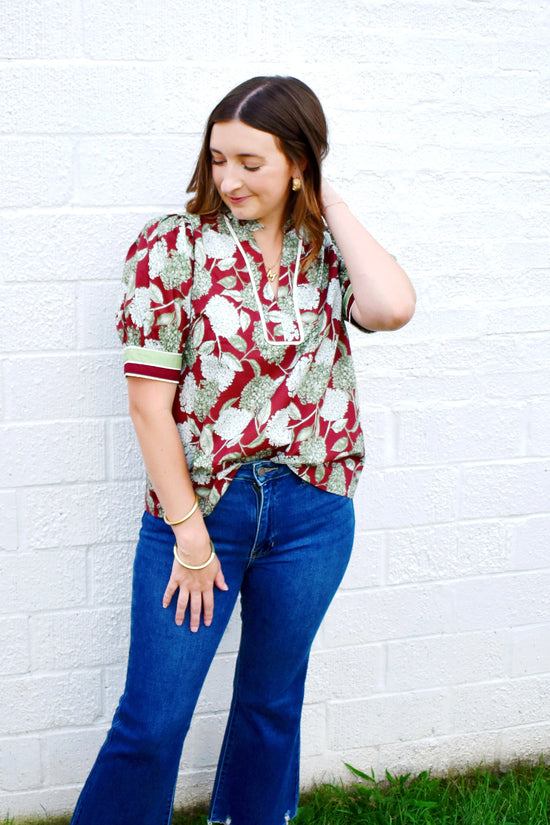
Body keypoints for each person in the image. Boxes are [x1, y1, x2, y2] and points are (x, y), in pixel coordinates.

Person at [70, 75, 415, 825]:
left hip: (312, 509)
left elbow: (391, 306)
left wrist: (334, 207)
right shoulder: (172, 245)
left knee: (270, 703)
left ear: (299, 162)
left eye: (251, 163)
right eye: (218, 157)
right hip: (203, 510)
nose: (228, 178)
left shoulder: (322, 250)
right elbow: (147, 405)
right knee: (152, 720)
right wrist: (189, 535)